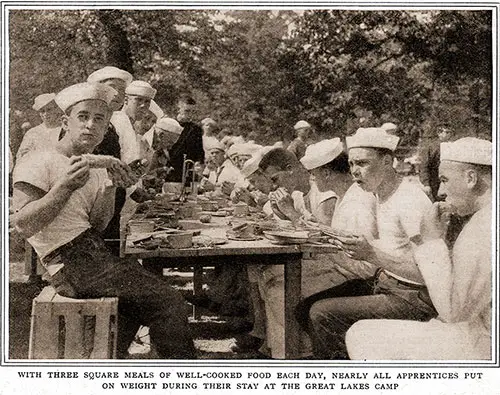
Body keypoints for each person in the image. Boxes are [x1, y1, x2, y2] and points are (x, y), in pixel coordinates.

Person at [11, 82, 196, 359]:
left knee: (136, 307)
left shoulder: (97, 166)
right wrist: (64, 187)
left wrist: (112, 187)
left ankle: (103, 366)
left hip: (91, 255)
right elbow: (23, 225)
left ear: (107, 126)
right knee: (170, 303)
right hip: (67, 264)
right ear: (66, 121)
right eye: (82, 117)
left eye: (99, 120)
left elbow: (96, 225)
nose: (90, 126)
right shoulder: (39, 160)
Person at [346, 137, 492, 360]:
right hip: (475, 328)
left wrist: (432, 241)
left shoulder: (483, 227)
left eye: (445, 180)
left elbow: (455, 311)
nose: (441, 191)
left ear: (471, 178)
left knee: (360, 334)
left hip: (486, 343)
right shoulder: (484, 218)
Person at [308, 127, 437, 359]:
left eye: (363, 163)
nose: (355, 172)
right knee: (307, 306)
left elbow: (432, 274)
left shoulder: (410, 200)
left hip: (414, 297)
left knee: (321, 313)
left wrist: (372, 255)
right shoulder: (378, 194)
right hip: (388, 284)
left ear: (388, 161)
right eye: (351, 164)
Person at [88, 66, 134, 255]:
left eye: (123, 91)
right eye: (112, 88)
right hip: (90, 193)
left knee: (111, 246)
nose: (118, 94)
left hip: (113, 191)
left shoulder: (115, 122)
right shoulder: (87, 119)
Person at [16, 93, 63, 160]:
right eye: (42, 111)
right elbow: (21, 157)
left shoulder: (64, 129)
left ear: (56, 110)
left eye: (49, 110)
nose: (46, 114)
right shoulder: (33, 133)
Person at [169, 95, 204, 182]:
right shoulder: (168, 125)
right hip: (167, 171)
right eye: (187, 111)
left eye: (193, 112)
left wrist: (199, 164)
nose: (190, 115)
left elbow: (199, 153)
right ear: (178, 110)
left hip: (186, 174)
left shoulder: (196, 129)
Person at [143, 117, 183, 186]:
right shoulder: (142, 144)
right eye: (170, 142)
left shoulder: (160, 151)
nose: (170, 147)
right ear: (161, 135)